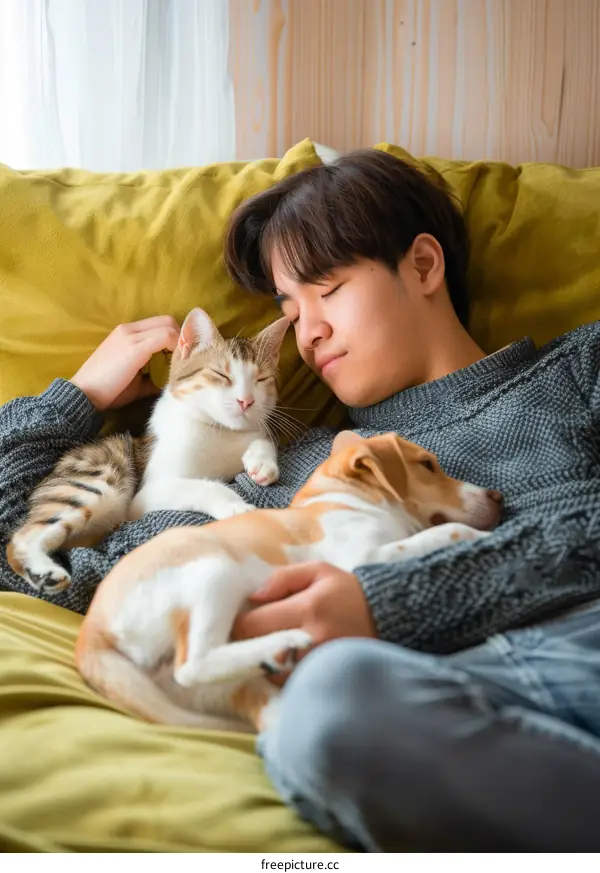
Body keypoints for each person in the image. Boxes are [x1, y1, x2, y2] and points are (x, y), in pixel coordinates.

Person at [1, 150, 600, 851]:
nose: (304, 333)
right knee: (322, 708)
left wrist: (383, 600)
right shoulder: (282, 475)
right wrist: (75, 399)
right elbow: (27, 558)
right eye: (288, 309)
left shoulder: (579, 370)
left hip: (581, 640)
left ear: (424, 266)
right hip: (415, 702)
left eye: (328, 289)